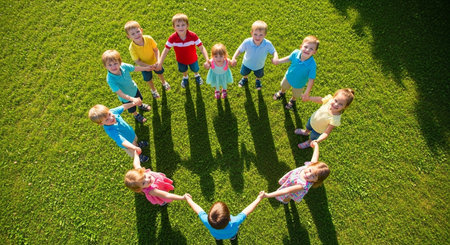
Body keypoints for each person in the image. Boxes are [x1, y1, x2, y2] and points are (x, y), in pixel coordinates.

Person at [262, 141, 330, 204]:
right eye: (310, 171)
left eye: (313, 176)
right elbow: (315, 157)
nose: (308, 174)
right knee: (288, 188)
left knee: (288, 196)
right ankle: (286, 187)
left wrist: (268, 195)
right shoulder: (311, 166)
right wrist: (316, 145)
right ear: (311, 165)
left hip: (293, 190)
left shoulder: (302, 185)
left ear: (316, 180)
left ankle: (286, 201)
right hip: (291, 180)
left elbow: (287, 190)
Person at [156, 13, 210, 89]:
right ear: (174, 27)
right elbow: (166, 50)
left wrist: (207, 59)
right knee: (183, 70)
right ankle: (185, 77)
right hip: (180, 60)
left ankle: (197, 75)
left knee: (195, 69)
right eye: (178, 25)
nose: (180, 27)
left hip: (193, 59)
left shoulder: (193, 36)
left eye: (183, 25)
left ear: (187, 25)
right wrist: (160, 63)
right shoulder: (172, 38)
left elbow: (201, 47)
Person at [184, 192, 265, 241]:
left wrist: (189, 200)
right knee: (233, 235)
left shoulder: (207, 221)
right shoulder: (235, 222)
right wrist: (258, 198)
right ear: (229, 218)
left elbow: (198, 210)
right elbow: (247, 211)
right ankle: (232, 238)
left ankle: (218, 239)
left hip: (216, 234)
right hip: (231, 233)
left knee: (217, 237)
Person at [102, 49, 152, 123]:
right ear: (105, 66)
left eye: (115, 63)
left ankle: (140, 105)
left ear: (120, 62)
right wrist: (132, 99)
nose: (113, 67)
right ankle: (136, 114)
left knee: (139, 99)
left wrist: (146, 68)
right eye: (109, 65)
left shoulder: (124, 66)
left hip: (134, 89)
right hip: (126, 98)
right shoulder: (110, 79)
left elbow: (134, 68)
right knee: (132, 108)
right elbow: (120, 93)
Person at [125, 20, 171, 99]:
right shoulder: (132, 48)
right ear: (128, 36)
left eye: (137, 31)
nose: (136, 35)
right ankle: (153, 90)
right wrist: (148, 67)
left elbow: (156, 50)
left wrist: (158, 61)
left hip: (155, 62)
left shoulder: (149, 39)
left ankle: (164, 82)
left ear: (141, 30)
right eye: (132, 34)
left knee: (160, 73)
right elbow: (137, 61)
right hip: (144, 67)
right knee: (148, 79)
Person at [273, 36, 320, 110]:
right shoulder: (295, 53)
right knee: (283, 86)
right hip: (288, 77)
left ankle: (293, 100)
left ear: (314, 52)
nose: (307, 50)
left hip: (299, 84)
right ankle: (282, 92)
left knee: (296, 94)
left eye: (311, 49)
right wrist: (278, 61)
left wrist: (307, 92)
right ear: (301, 47)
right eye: (305, 47)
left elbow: (311, 79)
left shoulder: (312, 65)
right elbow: (289, 58)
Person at [231, 20, 278, 90]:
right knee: (244, 73)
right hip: (246, 64)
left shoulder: (267, 44)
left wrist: (275, 57)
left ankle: (258, 80)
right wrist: (234, 57)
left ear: (265, 35)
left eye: (261, 35)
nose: (257, 37)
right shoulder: (247, 42)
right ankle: (244, 78)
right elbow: (239, 50)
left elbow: (274, 51)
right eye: (255, 34)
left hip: (259, 65)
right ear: (251, 33)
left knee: (259, 75)